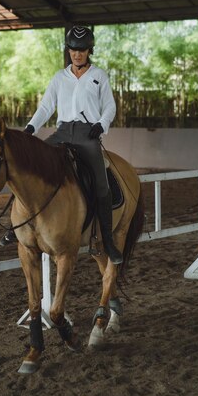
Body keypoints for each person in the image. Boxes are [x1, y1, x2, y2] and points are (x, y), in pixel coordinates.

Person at [23, 25, 123, 264]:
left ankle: (107, 239)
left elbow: (110, 106)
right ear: (68, 50)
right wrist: (30, 128)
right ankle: (18, 227)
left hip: (88, 135)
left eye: (82, 50)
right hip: (63, 132)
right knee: (31, 167)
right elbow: (46, 107)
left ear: (90, 50)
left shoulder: (99, 76)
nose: (77, 54)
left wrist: (101, 123)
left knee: (101, 184)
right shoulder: (60, 77)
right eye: (73, 49)